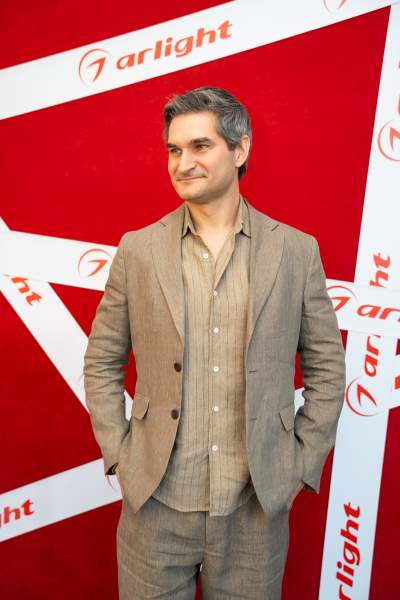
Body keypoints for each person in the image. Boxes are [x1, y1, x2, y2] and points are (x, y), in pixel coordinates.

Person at [83, 86, 346, 599]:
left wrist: (296, 466)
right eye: (174, 149)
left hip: (255, 507)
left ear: (239, 149)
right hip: (155, 504)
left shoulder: (296, 251)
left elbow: (327, 369)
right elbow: (101, 361)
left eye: (200, 146)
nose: (183, 163)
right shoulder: (138, 250)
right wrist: (121, 455)